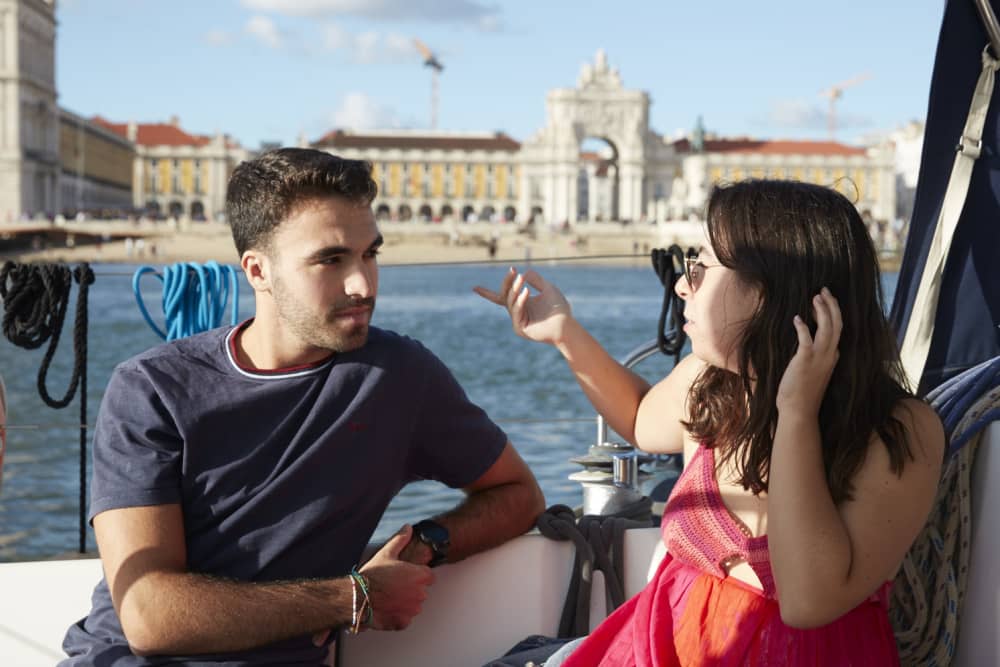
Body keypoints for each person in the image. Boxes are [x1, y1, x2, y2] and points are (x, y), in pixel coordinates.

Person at [61, 148, 544, 666]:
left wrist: (426, 543)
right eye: (331, 260)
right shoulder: (152, 389)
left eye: (370, 254)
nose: (363, 284)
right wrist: (351, 598)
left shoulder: (400, 376)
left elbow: (519, 494)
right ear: (258, 271)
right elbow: (149, 617)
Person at [475, 179, 944, 666]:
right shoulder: (712, 381)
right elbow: (640, 419)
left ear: (767, 292)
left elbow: (808, 602)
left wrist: (796, 415)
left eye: (699, 267)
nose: (682, 284)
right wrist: (564, 334)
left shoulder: (898, 431)